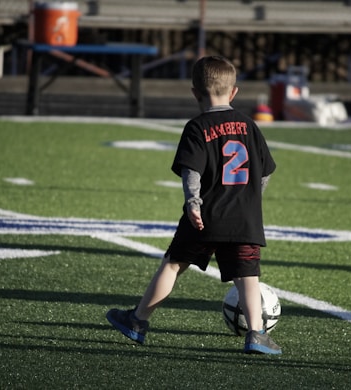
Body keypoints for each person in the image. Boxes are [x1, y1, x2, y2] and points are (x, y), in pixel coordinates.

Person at [106, 55, 280, 355]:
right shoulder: (251, 126)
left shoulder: (197, 127)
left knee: (173, 265)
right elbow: (264, 173)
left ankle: (138, 321)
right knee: (248, 277)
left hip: (207, 214)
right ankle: (256, 334)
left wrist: (193, 203)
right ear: (234, 92)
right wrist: (250, 201)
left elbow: (192, 172)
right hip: (244, 218)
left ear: (194, 93)